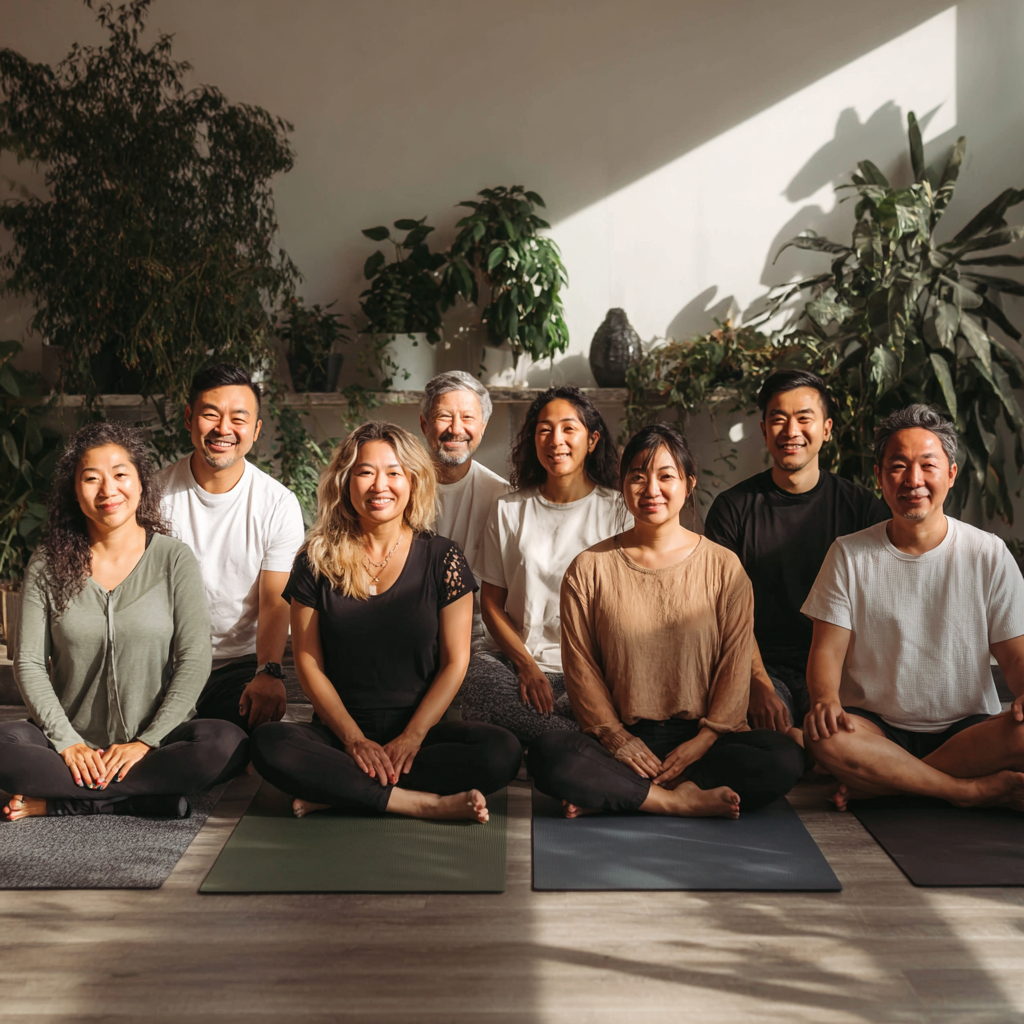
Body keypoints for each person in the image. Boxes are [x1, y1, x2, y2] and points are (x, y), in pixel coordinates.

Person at [528, 424, 805, 818]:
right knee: (549, 755)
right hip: (622, 739)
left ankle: (621, 795)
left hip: (704, 740)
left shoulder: (724, 568)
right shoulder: (589, 569)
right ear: (623, 486)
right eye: (637, 477)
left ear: (689, 483)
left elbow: (735, 663)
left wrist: (705, 738)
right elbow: (581, 670)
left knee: (783, 758)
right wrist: (617, 739)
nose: (650, 489)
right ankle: (675, 800)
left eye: (665, 476)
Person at [250, 421, 521, 821]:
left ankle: (341, 792)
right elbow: (308, 663)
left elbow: (455, 662)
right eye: (365, 472)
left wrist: (412, 737)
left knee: (502, 753)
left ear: (413, 482)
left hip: (420, 734)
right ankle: (419, 803)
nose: (380, 485)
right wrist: (354, 740)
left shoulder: (443, 558)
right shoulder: (315, 559)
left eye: (394, 473)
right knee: (269, 744)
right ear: (345, 481)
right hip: (338, 732)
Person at [1, 423, 247, 821]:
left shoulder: (172, 559)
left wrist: (147, 742)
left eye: (119, 474)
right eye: (91, 478)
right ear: (73, 490)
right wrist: (66, 742)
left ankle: (65, 802)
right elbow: (28, 662)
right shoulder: (47, 563)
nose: (107, 489)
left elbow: (194, 659)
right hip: (70, 747)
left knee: (225, 744)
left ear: (141, 483)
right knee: (4, 748)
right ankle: (142, 800)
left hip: (156, 746)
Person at [802, 405, 1024, 811]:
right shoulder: (849, 554)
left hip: (968, 728)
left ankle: (891, 779)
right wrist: (824, 700)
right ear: (879, 477)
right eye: (899, 466)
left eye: (927, 465)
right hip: (874, 727)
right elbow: (826, 652)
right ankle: (963, 790)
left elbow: (1014, 654)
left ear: (951, 474)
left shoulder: (987, 552)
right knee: (824, 735)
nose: (913, 480)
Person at [704, 370, 889, 734]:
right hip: (764, 667)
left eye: (804, 418)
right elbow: (720, 609)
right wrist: (756, 683)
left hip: (843, 667)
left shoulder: (862, 508)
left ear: (827, 428)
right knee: (772, 737)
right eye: (779, 419)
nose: (791, 431)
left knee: (852, 734)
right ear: (763, 430)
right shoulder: (733, 509)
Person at [460, 385, 626, 746]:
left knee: (624, 697)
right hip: (515, 663)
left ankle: (553, 742)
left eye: (569, 428)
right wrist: (526, 666)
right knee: (477, 687)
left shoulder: (618, 510)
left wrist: (591, 677)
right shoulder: (509, 510)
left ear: (592, 439)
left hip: (589, 671)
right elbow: (490, 605)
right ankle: (595, 744)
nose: (556, 440)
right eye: (544, 430)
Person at [160, 364, 306, 735]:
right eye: (211, 414)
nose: (223, 429)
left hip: (235, 667)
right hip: (159, 664)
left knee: (230, 743)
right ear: (189, 419)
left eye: (238, 419)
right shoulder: (152, 494)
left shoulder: (277, 503)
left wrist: (269, 670)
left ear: (255, 431)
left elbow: (276, 600)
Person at [419, 371, 508, 652]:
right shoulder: (398, 489)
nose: (456, 429)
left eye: (468, 418)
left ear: (483, 426)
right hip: (406, 628)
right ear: (424, 424)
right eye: (444, 416)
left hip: (478, 638)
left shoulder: (503, 497)